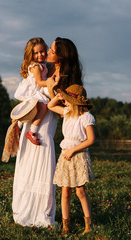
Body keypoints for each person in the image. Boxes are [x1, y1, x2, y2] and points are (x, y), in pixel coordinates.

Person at [12, 37, 84, 228]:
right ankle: (25, 209)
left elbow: (58, 105)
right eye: (49, 50)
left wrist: (51, 88)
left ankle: (41, 213)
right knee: (28, 163)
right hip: (33, 119)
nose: (47, 53)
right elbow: (31, 90)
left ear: (61, 56)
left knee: (42, 160)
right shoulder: (44, 68)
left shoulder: (64, 76)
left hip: (46, 123)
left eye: (51, 50)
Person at [47, 84, 95, 235]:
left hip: (78, 155)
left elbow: (91, 139)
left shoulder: (86, 117)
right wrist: (58, 96)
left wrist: (73, 150)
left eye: (67, 100)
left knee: (80, 191)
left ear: (75, 102)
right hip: (65, 156)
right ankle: (65, 226)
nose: (64, 103)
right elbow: (50, 105)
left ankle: (89, 225)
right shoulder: (67, 113)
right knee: (65, 191)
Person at [14, 37, 50, 145]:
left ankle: (18, 127)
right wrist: (51, 82)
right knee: (43, 107)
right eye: (36, 53)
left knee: (31, 110)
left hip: (34, 90)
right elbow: (39, 82)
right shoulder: (36, 67)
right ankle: (32, 131)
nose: (40, 55)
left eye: (42, 51)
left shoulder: (43, 64)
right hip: (32, 90)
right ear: (31, 54)